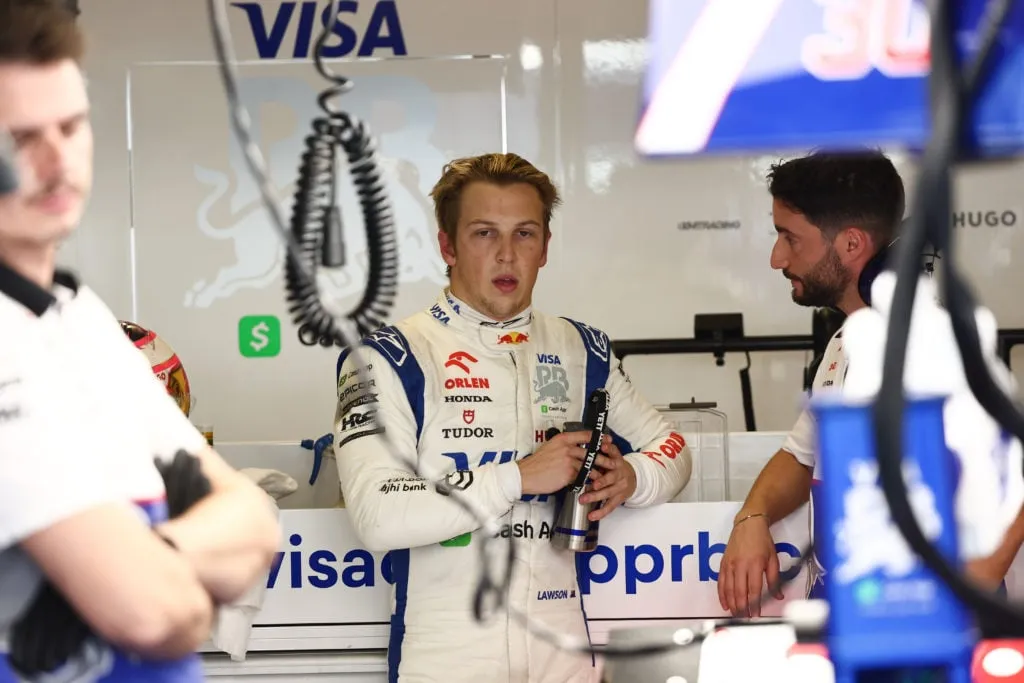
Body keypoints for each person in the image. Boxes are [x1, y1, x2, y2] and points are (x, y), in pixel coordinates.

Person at [333, 152, 693, 682]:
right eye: (484, 234)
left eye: (525, 233)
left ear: (545, 247)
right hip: (446, 649)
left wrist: (633, 477)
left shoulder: (581, 347)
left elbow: (673, 450)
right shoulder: (387, 356)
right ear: (447, 246)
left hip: (563, 643)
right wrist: (519, 477)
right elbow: (376, 516)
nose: (506, 254)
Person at [0, 3, 280, 680]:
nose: (55, 160)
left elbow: (256, 523)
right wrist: (179, 568)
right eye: (20, 137)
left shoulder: (81, 318)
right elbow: (157, 616)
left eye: (71, 126)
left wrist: (150, 552)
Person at [717, 149, 906, 617]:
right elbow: (801, 457)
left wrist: (961, 608)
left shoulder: (926, 347)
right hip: (841, 609)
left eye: (790, 238)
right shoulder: (845, 340)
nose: (776, 257)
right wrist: (752, 516)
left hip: (906, 625)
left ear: (851, 244)